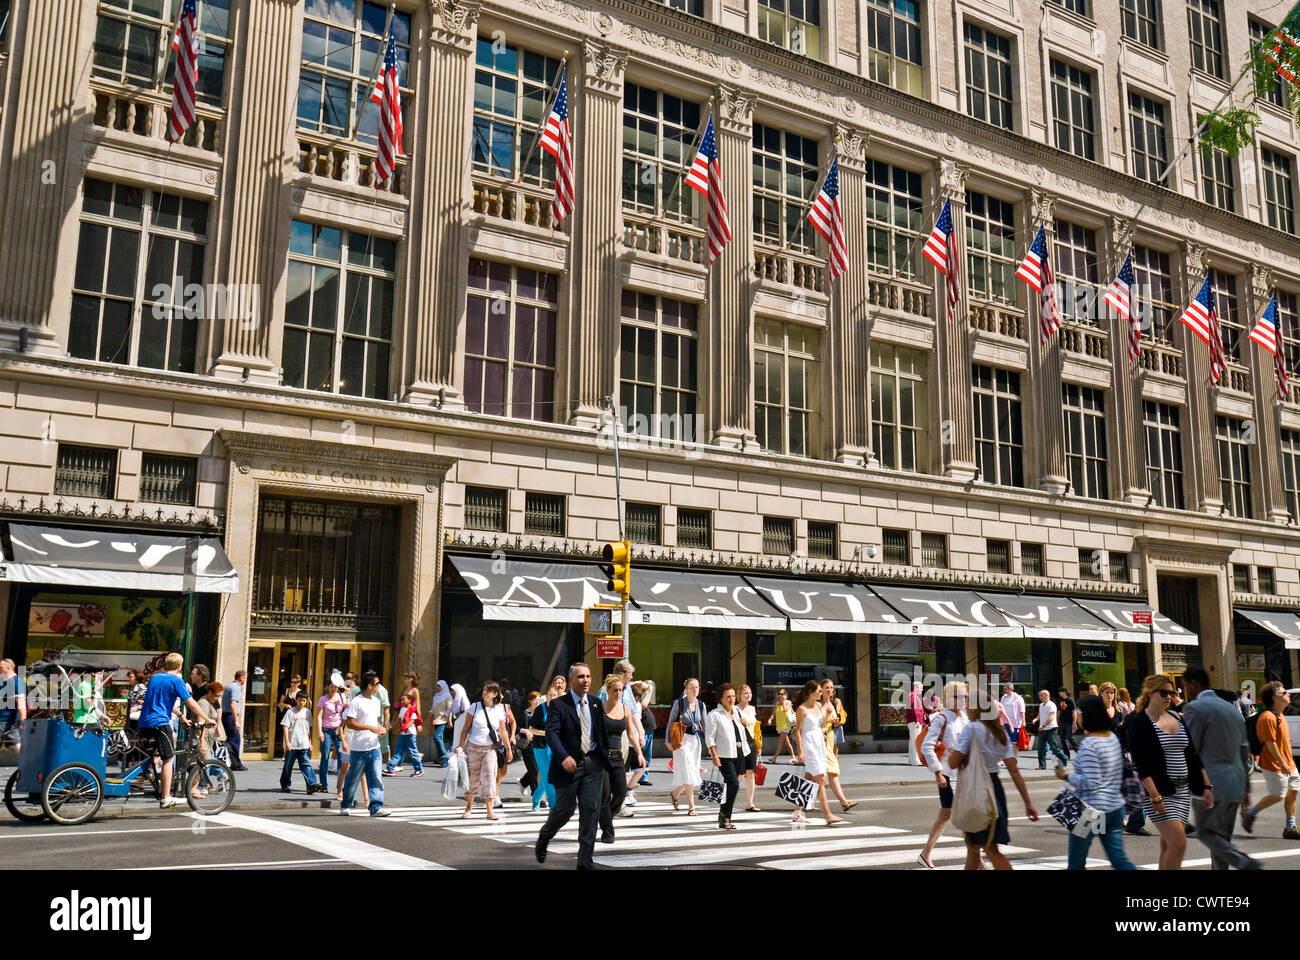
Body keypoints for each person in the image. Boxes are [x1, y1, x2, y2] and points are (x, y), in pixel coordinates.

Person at [535, 663, 612, 869]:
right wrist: (563, 757)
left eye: (587, 676)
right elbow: (551, 733)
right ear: (571, 680)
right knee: (564, 810)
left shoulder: (596, 704)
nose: (585, 680)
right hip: (568, 766)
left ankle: (585, 861)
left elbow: (601, 734)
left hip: (592, 764)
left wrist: (605, 761)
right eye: (580, 677)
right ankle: (544, 836)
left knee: (590, 811)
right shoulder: (560, 705)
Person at [1182, 667, 1259, 869]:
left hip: (1211, 783)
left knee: (1206, 833)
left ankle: (1241, 860)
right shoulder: (1232, 710)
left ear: (1193, 684)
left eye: (1185, 687)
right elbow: (1244, 751)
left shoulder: (1195, 708)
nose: (1185, 692)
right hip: (1235, 783)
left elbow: (1191, 748)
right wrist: (1246, 789)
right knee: (1222, 838)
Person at [1126, 674, 1201, 869]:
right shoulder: (1139, 720)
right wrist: (1155, 796)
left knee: (1168, 843)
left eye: (1172, 692)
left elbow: (1192, 754)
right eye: (1164, 692)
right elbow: (1141, 763)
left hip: (1182, 791)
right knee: (1178, 842)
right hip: (1159, 791)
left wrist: (1206, 785)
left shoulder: (1176, 716)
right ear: (1150, 694)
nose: (1170, 696)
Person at [948, 709, 1039, 870]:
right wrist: (1028, 803)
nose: (966, 709)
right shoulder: (1000, 732)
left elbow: (953, 762)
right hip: (995, 789)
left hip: (977, 790)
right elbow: (1014, 770)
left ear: (976, 709)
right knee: (973, 847)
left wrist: (950, 750)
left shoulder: (972, 728)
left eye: (969, 705)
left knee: (990, 849)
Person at [1056, 695, 1135, 870]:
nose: (1077, 715)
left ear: (1087, 714)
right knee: (1119, 860)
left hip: (1090, 811)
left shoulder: (1090, 744)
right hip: (1115, 807)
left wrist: (1065, 776)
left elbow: (1091, 782)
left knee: (1076, 863)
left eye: (1078, 712)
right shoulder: (1111, 738)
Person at [137, 652, 214, 808]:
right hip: (160, 722)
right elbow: (191, 703)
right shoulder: (176, 680)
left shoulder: (155, 678)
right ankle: (166, 798)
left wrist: (181, 716)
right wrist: (207, 719)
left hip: (144, 722)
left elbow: (163, 702)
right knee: (169, 758)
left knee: (156, 755)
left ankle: (148, 778)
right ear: (179, 666)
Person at [917, 680, 970, 868]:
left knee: (946, 815)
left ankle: (925, 853)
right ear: (949, 699)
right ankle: (977, 860)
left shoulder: (965, 717)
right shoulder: (941, 718)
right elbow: (926, 746)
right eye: (960, 696)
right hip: (948, 774)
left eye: (966, 696)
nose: (965, 699)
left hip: (963, 775)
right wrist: (938, 772)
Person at [1241, 681, 1300, 839]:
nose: (1288, 694)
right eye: (1284, 692)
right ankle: (1250, 814)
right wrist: (1282, 763)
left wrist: (1289, 763)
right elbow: (1270, 743)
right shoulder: (1267, 717)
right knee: (1278, 794)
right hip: (1274, 764)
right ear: (1274, 697)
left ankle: (1290, 827)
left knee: (1293, 791)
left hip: (1289, 763)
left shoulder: (1280, 714)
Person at [792, 680, 844, 826]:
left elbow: (820, 725)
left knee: (809, 779)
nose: (821, 693)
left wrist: (827, 715)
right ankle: (828, 815)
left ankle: (797, 812)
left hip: (819, 742)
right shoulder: (802, 709)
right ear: (810, 692)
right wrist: (800, 751)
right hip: (809, 745)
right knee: (821, 779)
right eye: (819, 691)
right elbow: (798, 731)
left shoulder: (819, 706)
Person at [459, 681, 512, 820]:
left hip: (490, 749)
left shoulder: (499, 710)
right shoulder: (474, 707)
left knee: (490, 777)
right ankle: (468, 808)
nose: (485, 693)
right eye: (484, 690)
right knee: (472, 778)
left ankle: (490, 811)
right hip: (473, 747)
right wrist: (460, 746)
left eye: (488, 691)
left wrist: (508, 749)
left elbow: (503, 732)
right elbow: (465, 728)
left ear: (495, 694)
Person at [339, 671, 390, 817]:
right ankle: (346, 804)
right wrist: (370, 728)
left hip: (374, 747)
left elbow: (374, 721)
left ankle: (376, 807)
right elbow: (350, 723)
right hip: (359, 748)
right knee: (353, 778)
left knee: (376, 778)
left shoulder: (376, 701)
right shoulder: (357, 701)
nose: (378, 687)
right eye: (377, 684)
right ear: (369, 685)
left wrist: (380, 728)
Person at [599, 674, 644, 840]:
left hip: (618, 756)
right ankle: (608, 831)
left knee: (620, 793)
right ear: (608, 690)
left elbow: (631, 733)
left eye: (621, 690)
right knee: (605, 795)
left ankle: (605, 819)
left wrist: (639, 753)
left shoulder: (625, 709)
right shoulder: (599, 708)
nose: (618, 693)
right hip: (602, 757)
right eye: (615, 690)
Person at [705, 683, 751, 830]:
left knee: (731, 786)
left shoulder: (737, 711)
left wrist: (745, 723)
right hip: (724, 755)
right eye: (728, 697)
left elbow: (747, 729)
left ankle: (724, 815)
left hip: (740, 753)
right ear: (721, 699)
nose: (731, 699)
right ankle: (725, 816)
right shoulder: (714, 715)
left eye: (732, 696)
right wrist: (714, 755)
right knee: (733, 784)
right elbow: (709, 737)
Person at [667, 678, 705, 815]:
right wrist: (667, 741)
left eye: (697, 687)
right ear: (686, 689)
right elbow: (670, 722)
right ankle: (691, 806)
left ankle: (675, 793)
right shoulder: (679, 703)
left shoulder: (701, 705)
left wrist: (712, 746)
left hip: (695, 741)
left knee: (692, 772)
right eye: (692, 687)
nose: (695, 690)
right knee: (689, 771)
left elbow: (705, 725)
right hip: (681, 740)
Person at [527, 678, 564, 812]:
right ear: (546, 697)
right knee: (549, 775)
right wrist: (544, 733)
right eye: (550, 695)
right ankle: (554, 805)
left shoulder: (560, 709)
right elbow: (531, 728)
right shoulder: (539, 710)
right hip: (540, 747)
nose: (552, 698)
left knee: (545, 776)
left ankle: (536, 799)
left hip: (554, 747)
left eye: (555, 696)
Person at [820, 679, 857, 812]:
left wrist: (836, 722)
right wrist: (828, 717)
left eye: (831, 688)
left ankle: (802, 803)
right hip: (820, 742)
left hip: (829, 741)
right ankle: (843, 802)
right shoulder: (818, 705)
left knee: (825, 774)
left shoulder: (832, 703)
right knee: (829, 773)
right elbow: (816, 725)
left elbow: (834, 726)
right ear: (821, 690)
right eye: (827, 688)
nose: (830, 690)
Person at [281, 690, 323, 794]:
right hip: (293, 743)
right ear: (295, 700)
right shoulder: (290, 712)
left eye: (304, 701)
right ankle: (285, 784)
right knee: (288, 766)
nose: (302, 702)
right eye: (300, 700)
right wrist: (287, 742)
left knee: (306, 764)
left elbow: (308, 729)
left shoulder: (307, 712)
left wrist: (309, 742)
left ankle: (311, 784)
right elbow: (285, 727)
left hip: (303, 744)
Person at [384, 691, 424, 777]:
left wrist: (403, 728)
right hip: (403, 734)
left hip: (410, 734)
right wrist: (391, 727)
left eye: (404, 699)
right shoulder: (402, 709)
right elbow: (399, 720)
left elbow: (412, 721)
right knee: (398, 751)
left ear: (409, 700)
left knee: (413, 752)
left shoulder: (412, 709)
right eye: (401, 700)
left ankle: (419, 769)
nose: (402, 701)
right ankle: (389, 768)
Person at [316, 679, 346, 791]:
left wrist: (346, 690)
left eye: (335, 687)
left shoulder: (342, 697)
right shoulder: (323, 699)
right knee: (325, 756)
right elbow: (319, 716)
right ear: (328, 687)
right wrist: (319, 732)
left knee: (340, 756)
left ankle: (340, 786)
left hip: (338, 731)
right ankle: (324, 785)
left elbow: (349, 707)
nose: (333, 689)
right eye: (331, 686)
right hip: (326, 730)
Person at [737, 684, 761, 812]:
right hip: (740, 745)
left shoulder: (752, 709)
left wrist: (758, 744)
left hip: (751, 743)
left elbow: (756, 728)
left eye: (750, 693)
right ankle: (727, 799)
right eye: (745, 693)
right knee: (739, 775)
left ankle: (750, 803)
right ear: (739, 695)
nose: (748, 695)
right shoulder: (735, 709)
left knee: (751, 773)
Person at [1032, 689, 1069, 769]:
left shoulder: (1051, 705)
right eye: (1039, 695)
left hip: (1051, 729)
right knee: (1040, 748)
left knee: (1054, 748)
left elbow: (1051, 717)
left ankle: (1064, 758)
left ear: (1046, 695)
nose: (1040, 697)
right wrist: (1036, 719)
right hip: (1043, 730)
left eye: (1041, 695)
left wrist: (1044, 725)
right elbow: (1040, 715)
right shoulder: (1041, 705)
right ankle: (1042, 765)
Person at [220, 670, 247, 771]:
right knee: (235, 740)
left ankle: (229, 761)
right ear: (241, 678)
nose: (246, 679)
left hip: (227, 715)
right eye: (245, 677)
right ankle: (235, 764)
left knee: (232, 739)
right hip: (230, 716)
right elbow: (233, 704)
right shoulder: (235, 687)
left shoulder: (230, 686)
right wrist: (236, 720)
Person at [518, 691, 543, 799]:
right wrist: (526, 731)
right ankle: (535, 794)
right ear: (530, 700)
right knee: (534, 769)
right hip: (527, 746)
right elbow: (517, 728)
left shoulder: (541, 713)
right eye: (536, 699)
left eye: (539, 699)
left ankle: (523, 782)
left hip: (540, 744)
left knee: (538, 769)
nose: (538, 701)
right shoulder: (525, 713)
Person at [0, 659, 26, 756]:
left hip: (7, 723)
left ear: (8, 668)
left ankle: (29, 766)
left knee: (19, 749)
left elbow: (21, 705)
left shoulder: (16, 682)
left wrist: (22, 722)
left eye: (0, 668)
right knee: (17, 748)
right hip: (3, 723)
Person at [197, 682, 225, 761]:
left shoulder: (211, 702)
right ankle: (221, 772)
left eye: (219, 697)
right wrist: (202, 743)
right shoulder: (203, 703)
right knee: (207, 761)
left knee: (201, 765)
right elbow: (200, 724)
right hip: (204, 738)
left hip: (209, 738)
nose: (217, 699)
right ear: (210, 692)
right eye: (216, 696)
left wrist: (217, 729)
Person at [636, 679, 656, 786]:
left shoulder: (640, 700)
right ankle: (640, 776)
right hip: (642, 730)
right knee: (643, 754)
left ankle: (644, 775)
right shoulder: (637, 700)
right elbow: (643, 705)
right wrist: (649, 691)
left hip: (648, 729)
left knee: (647, 755)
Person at [769, 688, 797, 764]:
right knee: (787, 742)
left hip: (786, 726)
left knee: (780, 741)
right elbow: (773, 714)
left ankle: (774, 758)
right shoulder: (776, 704)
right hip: (780, 726)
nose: (780, 695)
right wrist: (770, 719)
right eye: (779, 694)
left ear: (786, 695)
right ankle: (793, 757)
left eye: (782, 694)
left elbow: (785, 709)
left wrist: (784, 701)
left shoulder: (788, 702)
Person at [906, 681, 926, 765]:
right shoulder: (913, 696)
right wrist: (917, 720)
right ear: (916, 687)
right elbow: (914, 710)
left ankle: (912, 760)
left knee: (913, 741)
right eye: (921, 687)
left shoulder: (912, 696)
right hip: (915, 721)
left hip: (913, 721)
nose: (922, 689)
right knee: (915, 741)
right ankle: (915, 760)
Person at [1000, 683, 1025, 750]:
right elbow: (1001, 709)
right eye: (1004, 689)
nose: (1004, 690)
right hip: (1005, 722)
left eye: (1005, 689)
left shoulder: (1018, 698)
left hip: (1015, 723)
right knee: (1006, 741)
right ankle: (1008, 758)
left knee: (1014, 742)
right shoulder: (1003, 698)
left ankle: (1014, 759)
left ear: (1010, 689)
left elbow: (1022, 710)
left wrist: (1023, 721)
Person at [1057, 687, 1077, 757]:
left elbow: (1074, 711)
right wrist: (1057, 720)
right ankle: (1066, 755)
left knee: (1069, 737)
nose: (1059, 693)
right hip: (1062, 722)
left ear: (1064, 692)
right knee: (1062, 738)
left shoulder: (1070, 700)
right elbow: (1059, 711)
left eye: (1060, 691)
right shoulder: (1060, 701)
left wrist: (1075, 722)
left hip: (1069, 722)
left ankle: (1079, 752)